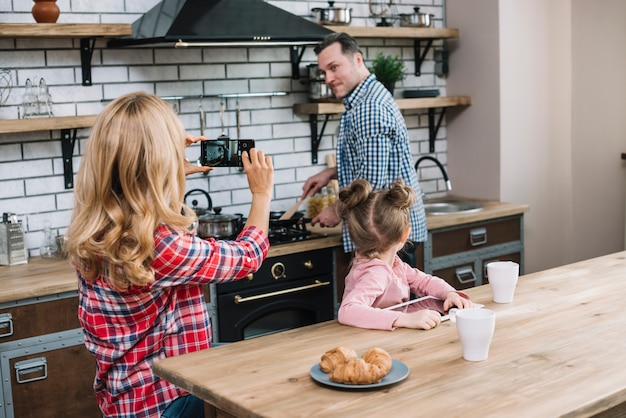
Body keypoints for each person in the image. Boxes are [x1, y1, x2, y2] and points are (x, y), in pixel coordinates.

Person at [64, 92, 274, 418]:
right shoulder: (156, 245)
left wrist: (169, 174)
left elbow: (145, 208)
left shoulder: (95, 226)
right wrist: (261, 194)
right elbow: (248, 255)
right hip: (166, 400)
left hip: (127, 393)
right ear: (156, 163)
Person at [301, 32, 427, 262]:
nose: (328, 78)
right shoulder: (368, 97)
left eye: (334, 67)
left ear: (357, 59)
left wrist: (336, 210)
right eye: (323, 72)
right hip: (391, 231)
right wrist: (330, 172)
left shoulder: (368, 108)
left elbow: (371, 181)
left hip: (385, 235)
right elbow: (373, 161)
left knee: (393, 299)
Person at [336, 179, 473, 331]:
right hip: (372, 342)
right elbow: (347, 311)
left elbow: (424, 282)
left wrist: (449, 293)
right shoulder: (376, 273)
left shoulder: (394, 264)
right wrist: (404, 319)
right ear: (405, 234)